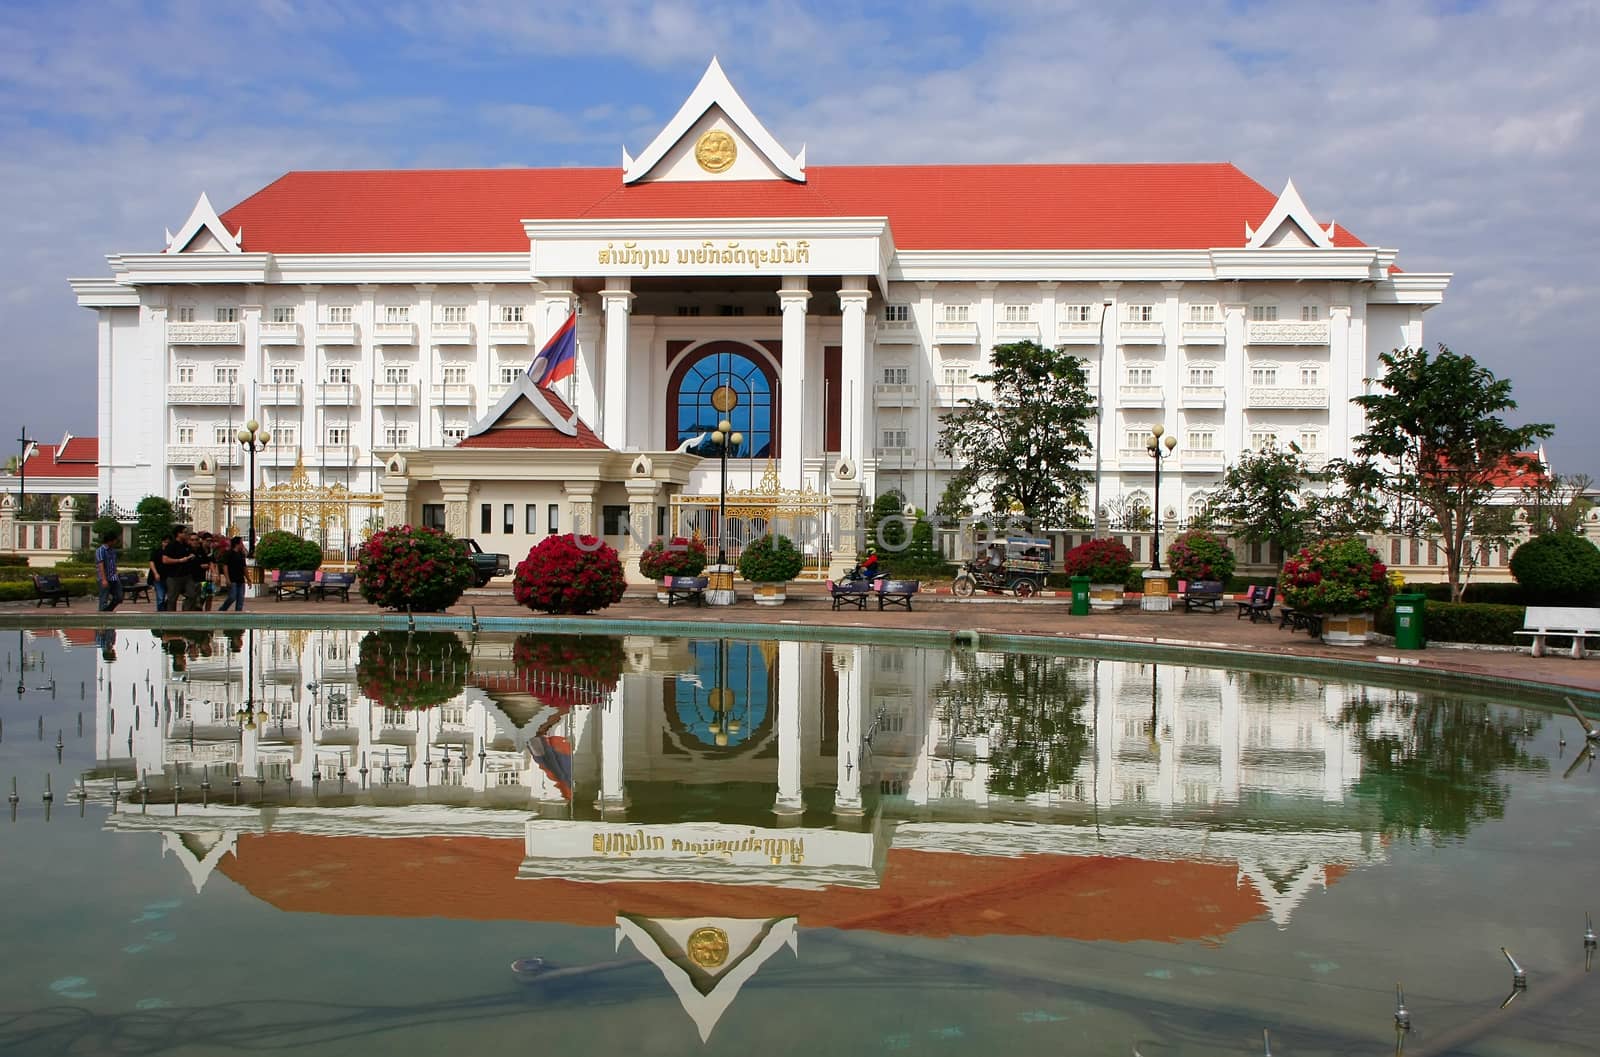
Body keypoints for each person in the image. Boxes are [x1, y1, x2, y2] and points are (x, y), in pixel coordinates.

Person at [161, 526, 201, 612]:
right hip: (174, 576)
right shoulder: (172, 545)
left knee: (192, 595)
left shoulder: (186, 545)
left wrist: (191, 556)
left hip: (186, 575)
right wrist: (179, 560)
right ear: (178, 534)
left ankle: (186, 612)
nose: (186, 534)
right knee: (172, 599)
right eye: (184, 532)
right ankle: (171, 617)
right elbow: (165, 560)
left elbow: (192, 553)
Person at [95, 529, 122, 612]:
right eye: (115, 540)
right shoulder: (100, 551)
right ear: (110, 541)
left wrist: (116, 573)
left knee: (119, 597)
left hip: (113, 577)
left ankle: (108, 611)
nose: (116, 542)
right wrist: (104, 579)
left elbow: (113, 563)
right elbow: (100, 565)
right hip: (105, 578)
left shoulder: (112, 551)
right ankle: (103, 616)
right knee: (104, 599)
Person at [218, 536, 248, 611]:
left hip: (240, 579)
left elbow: (244, 567)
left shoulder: (241, 554)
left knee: (240, 599)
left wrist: (248, 579)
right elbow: (225, 566)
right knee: (232, 597)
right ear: (237, 544)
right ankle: (222, 609)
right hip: (232, 579)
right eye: (241, 543)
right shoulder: (229, 553)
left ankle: (238, 613)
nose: (242, 544)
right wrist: (227, 579)